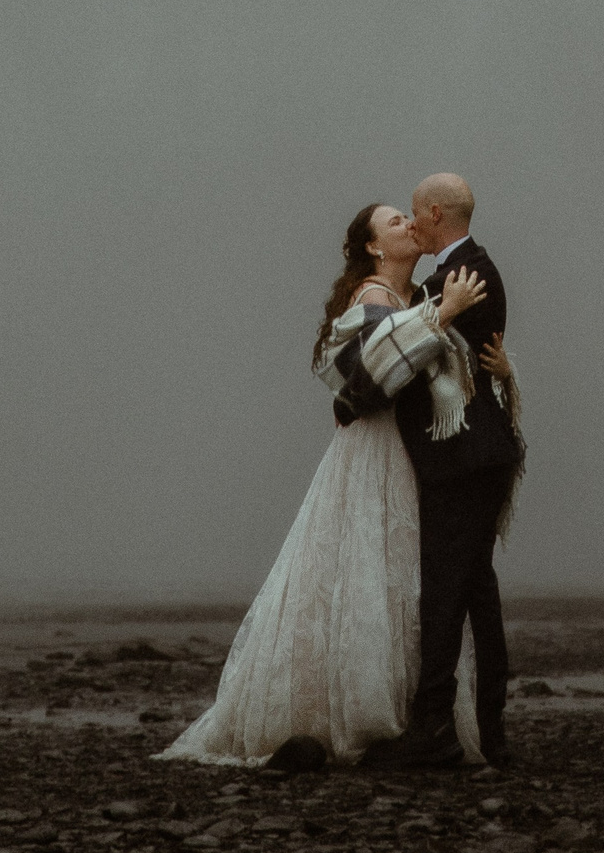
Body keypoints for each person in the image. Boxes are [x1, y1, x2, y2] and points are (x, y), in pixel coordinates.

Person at [153, 201, 495, 767]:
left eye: (409, 218)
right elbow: (376, 374)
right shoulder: (372, 298)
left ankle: (415, 716)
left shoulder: (414, 299)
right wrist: (440, 318)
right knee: (366, 567)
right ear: (373, 247)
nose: (409, 224)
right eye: (394, 222)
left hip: (410, 453)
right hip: (376, 452)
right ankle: (359, 715)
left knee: (403, 574)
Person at [356, 172, 523, 769]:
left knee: (448, 591)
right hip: (477, 458)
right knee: (474, 588)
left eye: (413, 213)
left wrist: (354, 395)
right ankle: (487, 731)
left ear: (432, 214)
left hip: (464, 459)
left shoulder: (463, 276)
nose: (410, 221)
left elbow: (411, 348)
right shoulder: (456, 273)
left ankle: (434, 729)